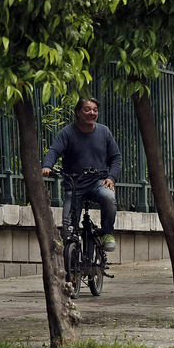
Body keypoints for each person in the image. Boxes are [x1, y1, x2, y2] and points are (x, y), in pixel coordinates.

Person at [41, 97, 122, 252]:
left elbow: (116, 157)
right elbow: (54, 151)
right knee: (68, 226)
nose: (92, 113)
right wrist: (47, 166)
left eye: (95, 110)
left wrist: (111, 177)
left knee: (109, 197)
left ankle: (107, 233)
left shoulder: (104, 132)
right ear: (78, 112)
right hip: (74, 184)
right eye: (87, 109)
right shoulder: (67, 132)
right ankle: (72, 259)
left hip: (98, 182)